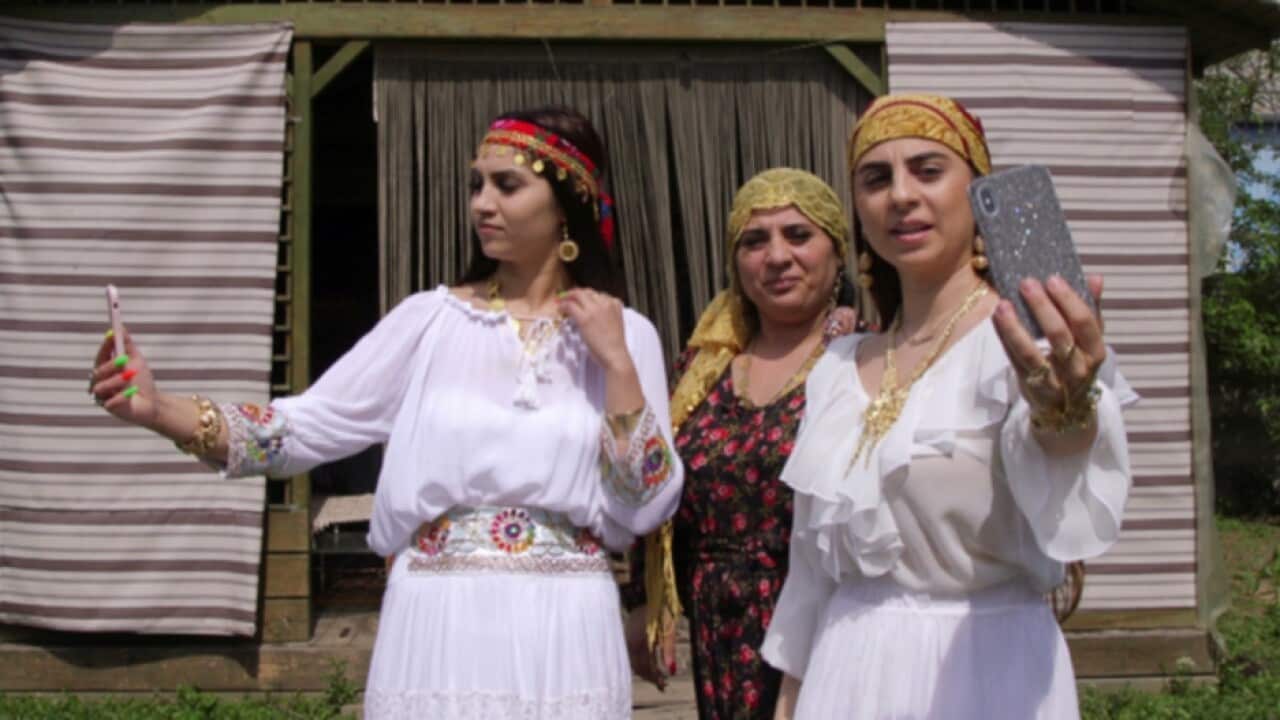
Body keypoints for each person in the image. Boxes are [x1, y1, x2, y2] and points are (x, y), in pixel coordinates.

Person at [89, 106, 683, 720]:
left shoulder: (625, 336)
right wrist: (159, 410)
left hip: (566, 625)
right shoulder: (430, 322)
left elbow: (645, 501)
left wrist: (617, 366)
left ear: (566, 205)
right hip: (438, 616)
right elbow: (300, 429)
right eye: (476, 184)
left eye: (507, 185)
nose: (482, 203)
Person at [760, 94, 1138, 719]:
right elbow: (810, 575)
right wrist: (788, 705)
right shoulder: (836, 369)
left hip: (984, 674)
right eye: (876, 179)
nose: (900, 195)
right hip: (843, 674)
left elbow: (1065, 459)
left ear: (977, 191)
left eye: (928, 170)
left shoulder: (1029, 343)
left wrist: (1065, 412)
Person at [624, 168, 858, 719]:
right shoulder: (701, 370)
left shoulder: (863, 361)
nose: (776, 257)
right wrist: (644, 601)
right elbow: (655, 484)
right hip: (719, 629)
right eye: (754, 241)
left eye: (798, 235)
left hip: (826, 622)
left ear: (837, 251)